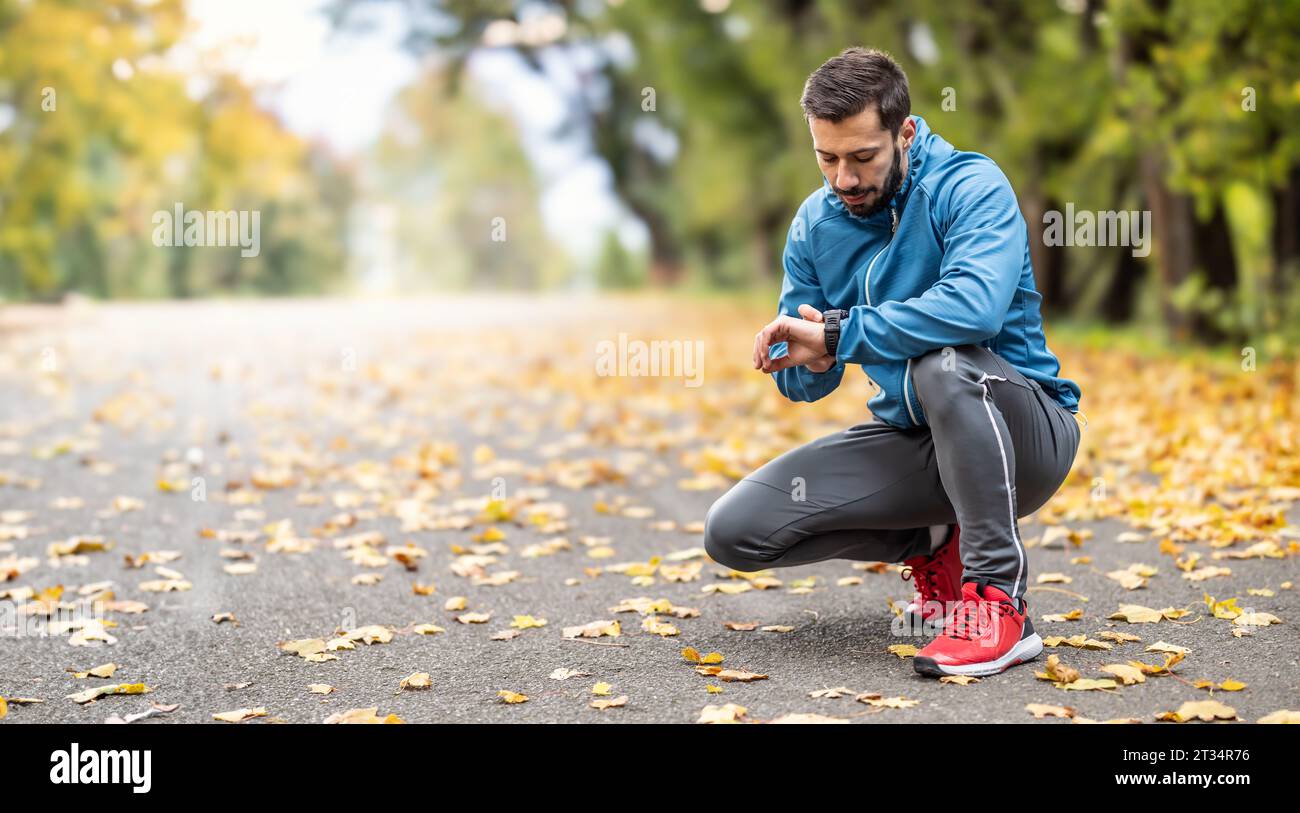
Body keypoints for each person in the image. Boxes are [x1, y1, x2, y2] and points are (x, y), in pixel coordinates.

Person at [705, 47, 1083, 677]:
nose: (844, 179)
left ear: (905, 132)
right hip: (914, 441)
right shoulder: (813, 225)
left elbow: (973, 311)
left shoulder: (970, 186)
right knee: (736, 530)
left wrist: (837, 332)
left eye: (862, 157)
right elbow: (805, 377)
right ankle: (938, 541)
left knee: (943, 363)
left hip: (1026, 435)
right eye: (827, 158)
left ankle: (998, 603)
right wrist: (810, 359)